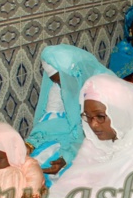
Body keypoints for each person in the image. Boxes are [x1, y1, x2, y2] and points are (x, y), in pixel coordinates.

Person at [25, 45, 111, 181]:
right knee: (29, 167)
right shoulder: (57, 88)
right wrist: (32, 142)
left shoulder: (99, 90)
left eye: (60, 80)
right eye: (55, 81)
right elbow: (51, 120)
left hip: (96, 142)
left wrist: (67, 156)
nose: (60, 85)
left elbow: (91, 132)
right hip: (67, 139)